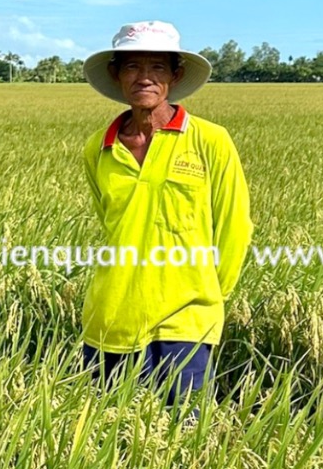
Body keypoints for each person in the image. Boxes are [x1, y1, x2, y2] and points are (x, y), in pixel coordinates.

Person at [80, 20, 252, 400]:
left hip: (185, 320)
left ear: (174, 75)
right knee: (108, 438)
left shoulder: (210, 140)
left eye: (157, 67)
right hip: (110, 317)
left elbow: (235, 225)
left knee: (183, 439)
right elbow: (112, 225)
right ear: (116, 75)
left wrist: (207, 293)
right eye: (132, 67)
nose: (145, 78)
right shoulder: (99, 148)